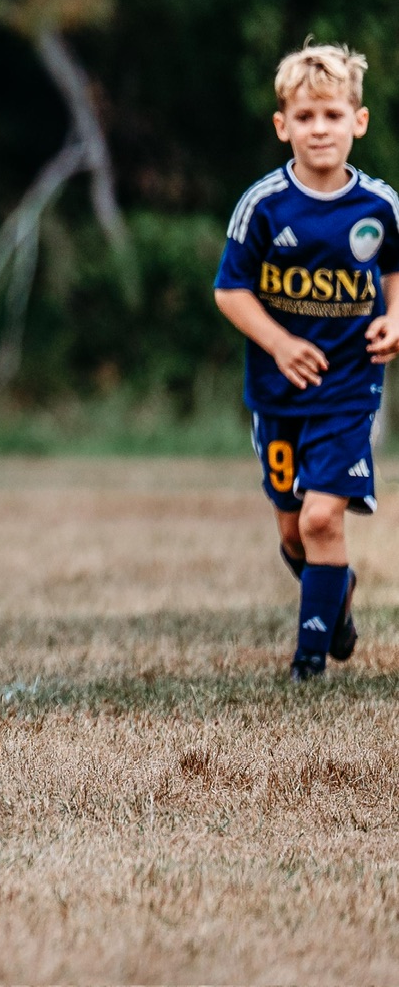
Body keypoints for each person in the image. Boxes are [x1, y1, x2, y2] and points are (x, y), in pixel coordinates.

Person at [214, 42, 399, 680]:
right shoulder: (264, 205)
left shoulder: (380, 205)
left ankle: (308, 662)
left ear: (358, 121)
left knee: (323, 518)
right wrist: (280, 343)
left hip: (349, 388)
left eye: (333, 115)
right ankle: (335, 593)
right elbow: (230, 291)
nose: (320, 129)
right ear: (282, 125)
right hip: (277, 393)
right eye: (305, 116)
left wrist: (395, 317)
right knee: (294, 533)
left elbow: (397, 271)